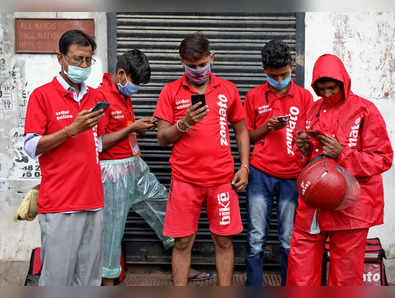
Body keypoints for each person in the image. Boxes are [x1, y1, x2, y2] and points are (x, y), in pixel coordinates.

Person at [97, 49, 212, 285]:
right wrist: (131, 128)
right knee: (112, 230)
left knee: (167, 210)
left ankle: (183, 264)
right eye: (135, 83)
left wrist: (138, 126)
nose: (136, 89)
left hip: (135, 166)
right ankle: (107, 281)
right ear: (121, 74)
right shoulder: (100, 97)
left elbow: (122, 132)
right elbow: (98, 144)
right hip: (112, 173)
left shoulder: (123, 95)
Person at [286, 54, 393, 286]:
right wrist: (303, 149)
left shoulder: (365, 110)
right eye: (321, 89)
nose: (326, 94)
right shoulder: (312, 110)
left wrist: (342, 154)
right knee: (300, 270)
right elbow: (300, 162)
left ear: (343, 82)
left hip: (352, 206)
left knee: (345, 277)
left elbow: (383, 159)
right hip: (313, 203)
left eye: (332, 88)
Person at [154, 32, 250, 286]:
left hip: (222, 181)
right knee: (183, 241)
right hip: (185, 181)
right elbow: (162, 138)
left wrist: (245, 166)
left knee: (224, 240)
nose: (197, 70)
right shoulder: (171, 92)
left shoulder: (228, 89)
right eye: (191, 66)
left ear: (212, 58)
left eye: (201, 64)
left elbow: (241, 130)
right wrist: (184, 123)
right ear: (181, 63)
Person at [23, 29, 105, 286]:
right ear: (60, 58)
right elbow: (32, 146)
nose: (83, 65)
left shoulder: (96, 97)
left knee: (90, 279)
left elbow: (97, 144)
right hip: (60, 203)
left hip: (93, 201)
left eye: (88, 60)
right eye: (77, 59)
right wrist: (70, 130)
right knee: (58, 280)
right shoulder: (42, 96)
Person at [243, 40, 314, 286]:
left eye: (284, 74)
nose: (279, 79)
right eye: (273, 75)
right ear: (264, 70)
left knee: (288, 239)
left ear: (292, 66)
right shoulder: (253, 96)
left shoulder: (305, 97)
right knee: (255, 237)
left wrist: (305, 140)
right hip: (260, 173)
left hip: (293, 175)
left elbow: (310, 138)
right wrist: (266, 128)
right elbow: (246, 136)